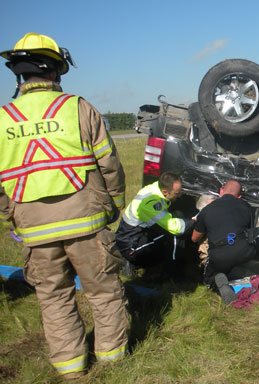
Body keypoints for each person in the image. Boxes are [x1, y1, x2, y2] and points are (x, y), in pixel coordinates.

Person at [0, 33, 129, 379]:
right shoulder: (78, 108)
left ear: (20, 76)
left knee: (54, 300)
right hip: (86, 222)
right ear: (56, 71)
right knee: (103, 292)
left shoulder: (3, 119)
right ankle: (112, 362)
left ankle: (70, 368)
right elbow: (109, 164)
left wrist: (10, 216)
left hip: (34, 230)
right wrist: (114, 206)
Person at [191, 179, 259, 303]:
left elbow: (194, 238)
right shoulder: (247, 207)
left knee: (209, 282)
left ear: (221, 191)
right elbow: (250, 232)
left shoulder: (207, 209)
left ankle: (221, 285)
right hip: (244, 251)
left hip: (219, 255)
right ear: (239, 196)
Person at [115, 172, 196, 274]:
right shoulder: (151, 203)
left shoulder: (154, 188)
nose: (179, 196)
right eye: (176, 193)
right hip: (131, 245)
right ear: (165, 191)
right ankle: (173, 273)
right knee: (175, 235)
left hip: (131, 235)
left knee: (175, 221)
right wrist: (194, 222)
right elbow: (175, 228)